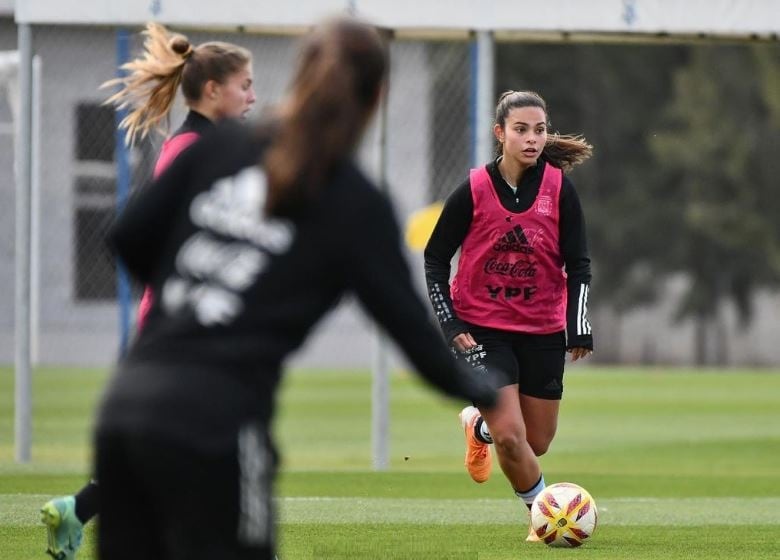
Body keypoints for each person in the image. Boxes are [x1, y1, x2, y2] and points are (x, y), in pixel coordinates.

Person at [92, 16, 497, 560]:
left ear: (299, 78)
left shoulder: (219, 148)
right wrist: (489, 390)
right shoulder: (355, 202)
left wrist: (203, 287)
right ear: (377, 96)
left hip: (124, 407)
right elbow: (412, 334)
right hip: (218, 422)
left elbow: (127, 238)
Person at [40, 23, 256, 560]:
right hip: (180, 326)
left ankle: (78, 510)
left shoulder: (203, 144)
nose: (253, 96)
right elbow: (150, 237)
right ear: (212, 91)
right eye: (245, 85)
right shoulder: (192, 149)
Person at [423, 90, 594, 541]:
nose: (532, 138)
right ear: (500, 133)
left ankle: (477, 426)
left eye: (539, 130)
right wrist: (451, 324)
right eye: (521, 129)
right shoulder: (474, 189)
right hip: (482, 331)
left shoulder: (559, 189)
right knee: (513, 440)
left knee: (535, 442)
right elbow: (435, 259)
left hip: (541, 330)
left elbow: (579, 264)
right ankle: (545, 515)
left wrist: (580, 324)